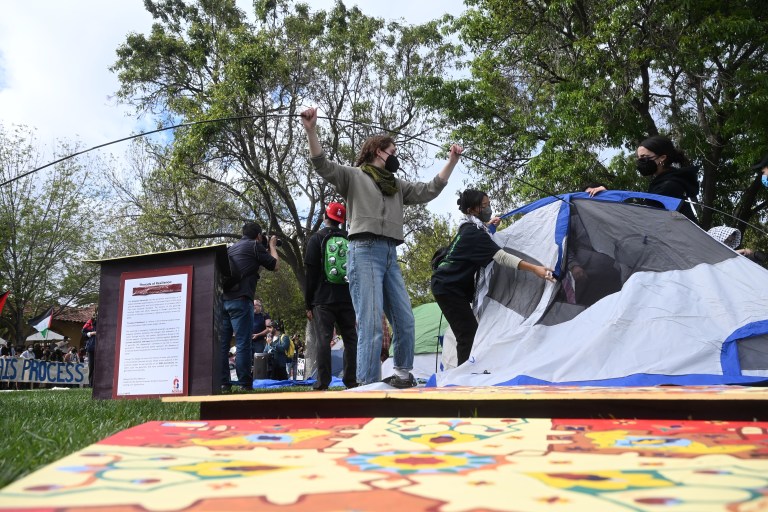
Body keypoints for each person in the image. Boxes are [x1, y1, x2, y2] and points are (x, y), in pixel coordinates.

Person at [300, 107, 463, 388]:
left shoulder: (397, 185)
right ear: (378, 151)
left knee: (406, 319)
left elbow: (430, 189)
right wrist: (311, 130)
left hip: (390, 253)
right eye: (392, 152)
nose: (395, 157)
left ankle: (401, 375)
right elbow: (321, 164)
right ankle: (367, 384)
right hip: (363, 251)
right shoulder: (353, 176)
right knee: (372, 323)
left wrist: (452, 161)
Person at [431, 189, 557, 366]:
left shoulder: (470, 228)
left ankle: (464, 374)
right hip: (447, 287)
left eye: (488, 204)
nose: (489, 208)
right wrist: (535, 269)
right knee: (467, 332)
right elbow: (501, 257)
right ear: (472, 210)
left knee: (467, 331)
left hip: (447, 285)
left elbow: (481, 238)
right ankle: (461, 380)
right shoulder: (473, 234)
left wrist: (490, 226)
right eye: (484, 206)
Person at [304, 202, 359, 390]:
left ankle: (322, 382)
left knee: (324, 340)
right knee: (351, 339)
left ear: (325, 217)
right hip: (347, 298)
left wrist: (308, 303)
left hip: (322, 299)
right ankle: (351, 381)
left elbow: (310, 274)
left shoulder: (316, 239)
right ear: (341, 220)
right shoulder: (350, 239)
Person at [220, 222, 279, 390]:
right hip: (241, 300)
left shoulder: (232, 248)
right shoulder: (254, 245)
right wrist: (272, 246)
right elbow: (275, 265)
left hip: (223, 301)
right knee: (243, 342)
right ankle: (245, 383)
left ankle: (224, 383)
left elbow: (251, 268)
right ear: (259, 236)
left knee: (223, 345)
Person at [587, 135, 699, 223]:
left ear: (662, 158)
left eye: (644, 157)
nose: (640, 162)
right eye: (639, 158)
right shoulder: (664, 181)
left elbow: (642, 214)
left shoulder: (669, 185)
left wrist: (608, 195)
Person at [83, 316, 97, 387]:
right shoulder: (90, 322)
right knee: (91, 366)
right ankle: (91, 384)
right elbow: (83, 332)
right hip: (92, 347)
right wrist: (91, 333)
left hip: (104, 347)